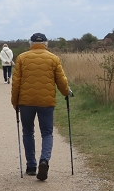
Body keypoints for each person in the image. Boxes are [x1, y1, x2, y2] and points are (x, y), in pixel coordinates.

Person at [11, 32, 70, 181]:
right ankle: (44, 160)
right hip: (46, 103)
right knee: (47, 133)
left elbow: (16, 82)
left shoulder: (22, 58)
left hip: (26, 103)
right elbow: (61, 81)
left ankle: (31, 166)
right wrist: (66, 93)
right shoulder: (53, 58)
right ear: (46, 44)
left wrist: (15, 101)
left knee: (28, 132)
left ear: (30, 43)